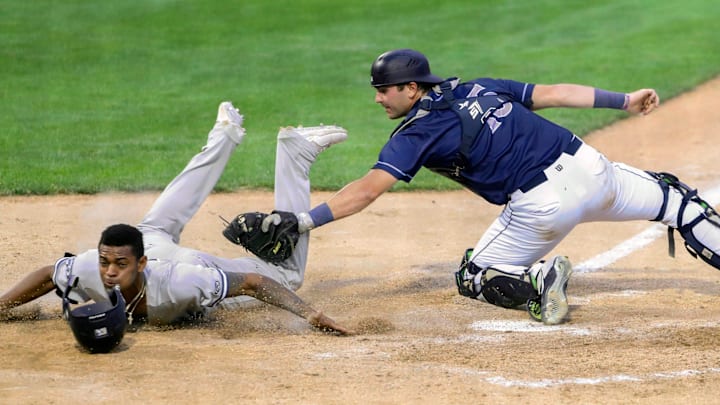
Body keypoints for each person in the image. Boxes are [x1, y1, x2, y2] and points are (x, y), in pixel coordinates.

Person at [279, 48, 720, 325]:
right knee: (682, 205)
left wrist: (303, 221)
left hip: (544, 206)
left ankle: (540, 280)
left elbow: (367, 190)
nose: (378, 98)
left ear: (411, 89)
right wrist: (623, 100)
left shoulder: (414, 134)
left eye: (384, 90)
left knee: (474, 276)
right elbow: (555, 92)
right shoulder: (481, 88)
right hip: (594, 169)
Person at [0, 101, 354, 335]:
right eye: (106, 263)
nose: (109, 272)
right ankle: (224, 135)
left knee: (288, 276)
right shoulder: (98, 265)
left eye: (118, 265)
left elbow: (252, 282)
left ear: (139, 264)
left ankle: (296, 154)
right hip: (148, 242)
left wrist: (312, 315)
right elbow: (49, 275)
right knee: (152, 228)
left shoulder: (182, 283)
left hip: (183, 263)